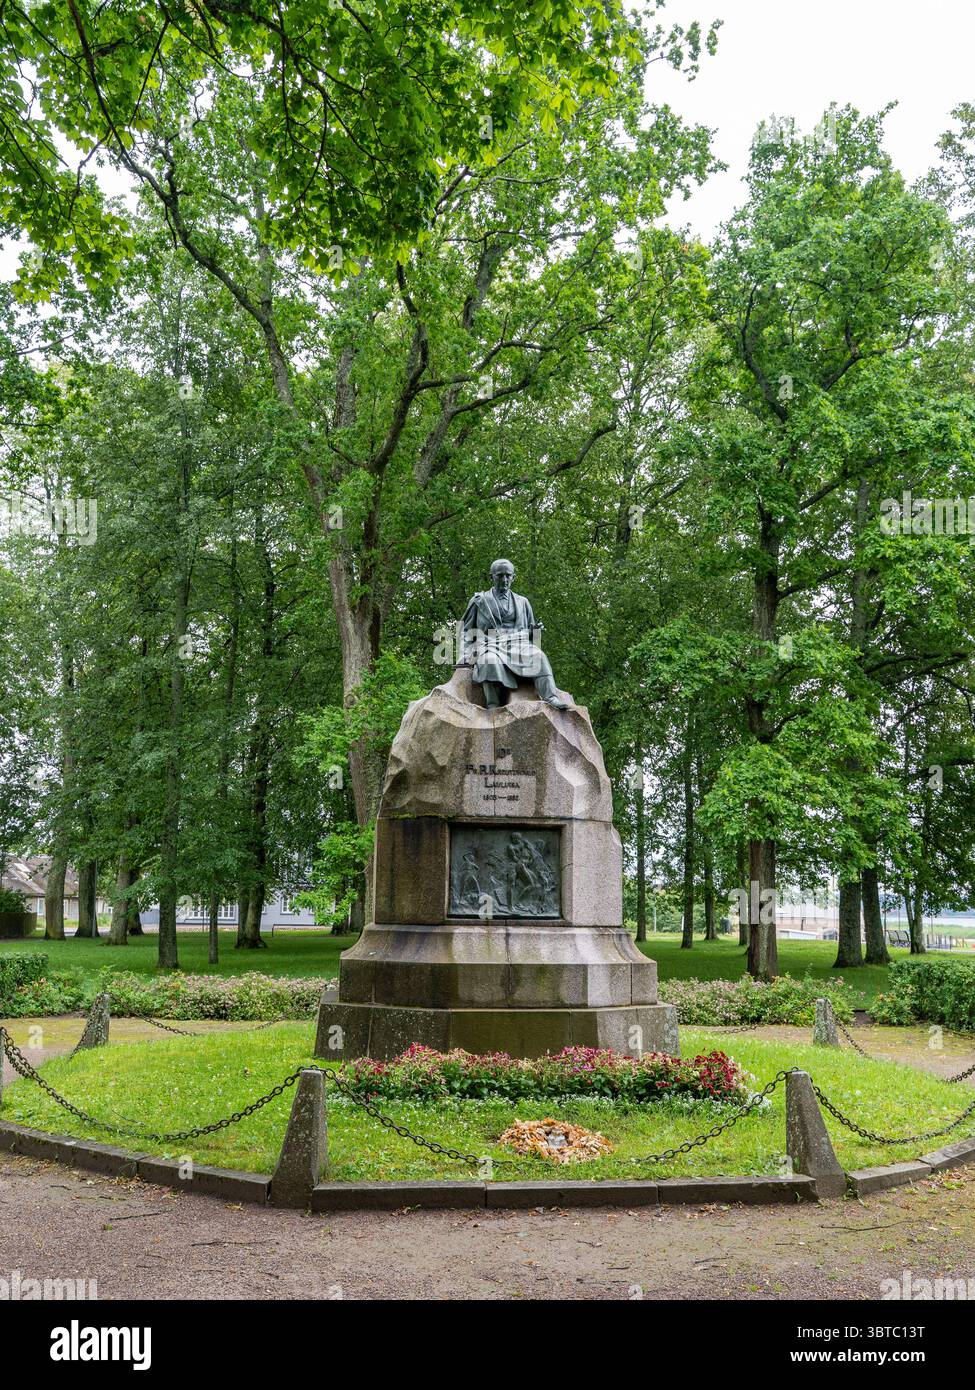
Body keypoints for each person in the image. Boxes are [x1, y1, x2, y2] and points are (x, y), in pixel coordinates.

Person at [461, 558, 569, 709]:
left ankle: (550, 697)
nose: (504, 580)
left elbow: (532, 635)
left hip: (518, 644)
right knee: (489, 660)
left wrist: (534, 631)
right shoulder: (479, 600)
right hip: (489, 645)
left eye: (508, 575)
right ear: (491, 576)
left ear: (513, 577)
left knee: (539, 656)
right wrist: (464, 655)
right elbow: (466, 631)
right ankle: (493, 705)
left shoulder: (522, 601)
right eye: (500, 575)